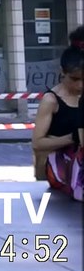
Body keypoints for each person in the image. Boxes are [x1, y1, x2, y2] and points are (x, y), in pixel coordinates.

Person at [31, 30, 83, 202]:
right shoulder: (51, 100)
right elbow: (38, 144)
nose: (79, 85)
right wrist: (71, 138)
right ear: (62, 72)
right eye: (74, 79)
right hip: (58, 169)